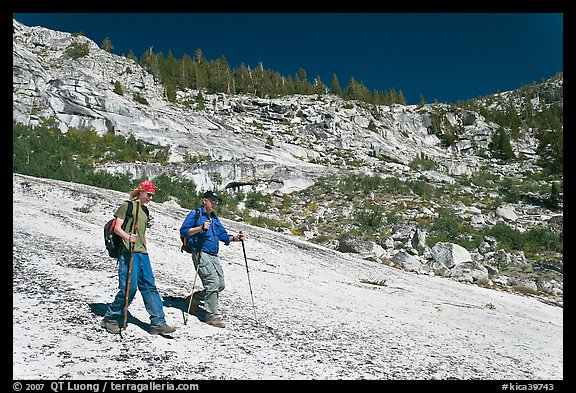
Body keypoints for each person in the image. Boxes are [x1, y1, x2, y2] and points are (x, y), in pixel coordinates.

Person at [101, 180, 176, 335]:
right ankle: (111, 317)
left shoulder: (145, 211)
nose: (150, 198)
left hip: (142, 252)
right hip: (129, 251)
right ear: (141, 192)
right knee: (129, 288)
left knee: (149, 286)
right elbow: (117, 228)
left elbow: (142, 233)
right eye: (149, 195)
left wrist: (142, 246)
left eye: (152, 196)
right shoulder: (127, 206)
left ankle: (158, 322)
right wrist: (128, 237)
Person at [179, 190, 245, 328]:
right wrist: (200, 228)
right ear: (204, 201)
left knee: (220, 284)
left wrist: (235, 238)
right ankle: (212, 316)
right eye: (212, 201)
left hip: (213, 255)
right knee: (212, 282)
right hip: (201, 253)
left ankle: (193, 299)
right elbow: (184, 231)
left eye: (216, 202)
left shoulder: (214, 217)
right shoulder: (195, 214)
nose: (214, 204)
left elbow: (222, 234)